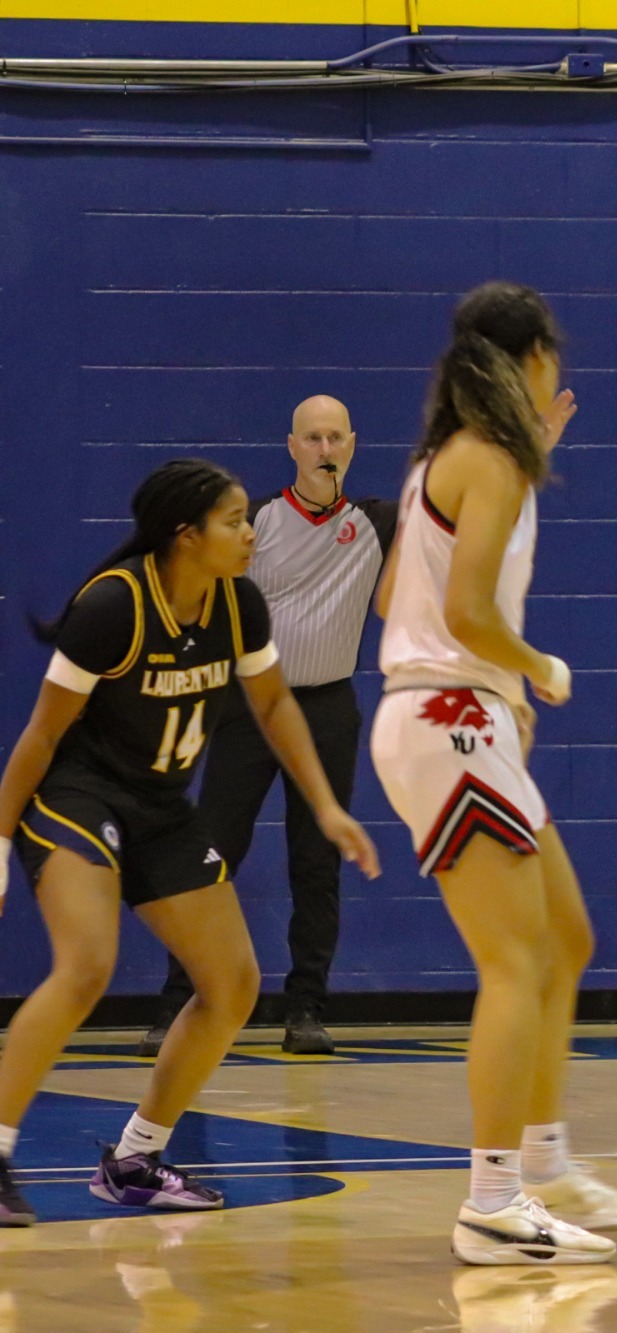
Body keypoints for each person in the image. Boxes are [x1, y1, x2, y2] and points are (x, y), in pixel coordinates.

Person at [0, 458, 380, 1226]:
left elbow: (273, 707)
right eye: (236, 521)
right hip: (81, 796)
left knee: (234, 981)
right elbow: (43, 734)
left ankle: (136, 1158)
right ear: (186, 534)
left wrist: (327, 806)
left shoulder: (239, 605)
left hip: (164, 807)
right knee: (87, 965)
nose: (250, 534)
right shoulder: (114, 606)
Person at [370, 281, 617, 1264]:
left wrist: (497, 686)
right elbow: (465, 618)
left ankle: (544, 1160)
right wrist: (537, 670)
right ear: (532, 357)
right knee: (513, 961)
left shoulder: (460, 459)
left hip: (453, 712)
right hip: (450, 717)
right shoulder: (484, 458)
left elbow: (394, 600)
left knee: (563, 940)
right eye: (553, 356)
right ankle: (492, 1198)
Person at [140, 396, 397, 1058]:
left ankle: (306, 1007)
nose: (324, 448)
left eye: (335, 436)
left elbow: (460, 511)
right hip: (249, 707)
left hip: (328, 707)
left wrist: (527, 447)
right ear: (291, 446)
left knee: (317, 861)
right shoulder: (253, 521)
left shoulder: (376, 522)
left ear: (353, 444)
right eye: (312, 437)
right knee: (211, 853)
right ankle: (178, 1003)